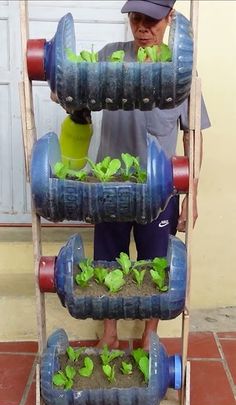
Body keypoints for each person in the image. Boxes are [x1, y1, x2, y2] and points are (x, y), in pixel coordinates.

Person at [51, 0, 210, 349]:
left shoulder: (181, 75)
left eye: (152, 20)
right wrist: (63, 89)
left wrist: (192, 192)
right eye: (136, 18)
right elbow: (75, 98)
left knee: (156, 267)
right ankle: (109, 333)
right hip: (110, 189)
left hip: (160, 193)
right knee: (107, 263)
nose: (143, 27)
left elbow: (193, 135)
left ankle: (148, 336)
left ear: (170, 19)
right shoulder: (110, 57)